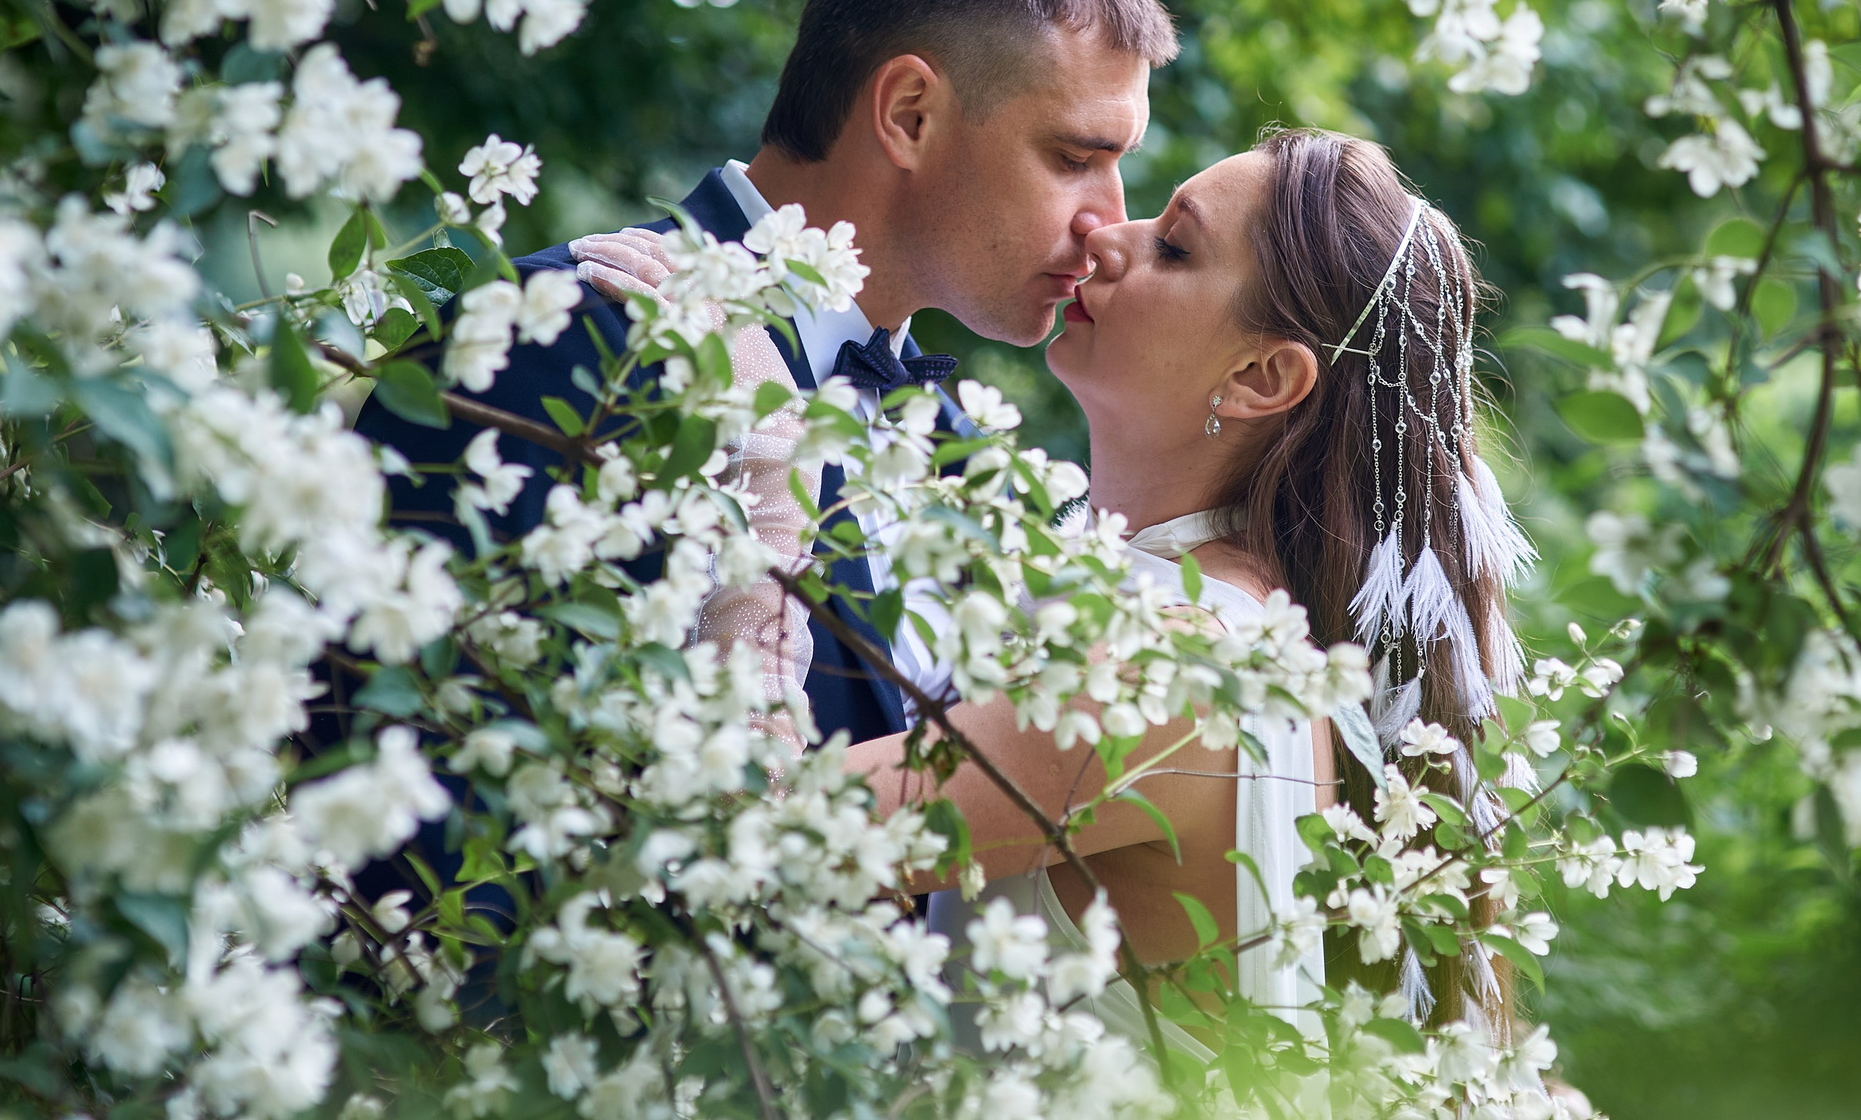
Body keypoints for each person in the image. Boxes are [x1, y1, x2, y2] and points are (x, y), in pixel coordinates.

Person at [580, 128, 1530, 1051]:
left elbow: (759, 839)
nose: (1103, 236)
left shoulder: (1179, 672)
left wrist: (767, 461)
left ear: (1260, 375)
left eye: (1173, 246)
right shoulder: (1172, 610)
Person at [354, 0, 1179, 748]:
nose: (1110, 223)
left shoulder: (965, 465)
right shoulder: (557, 334)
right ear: (908, 114)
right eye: (1072, 157)